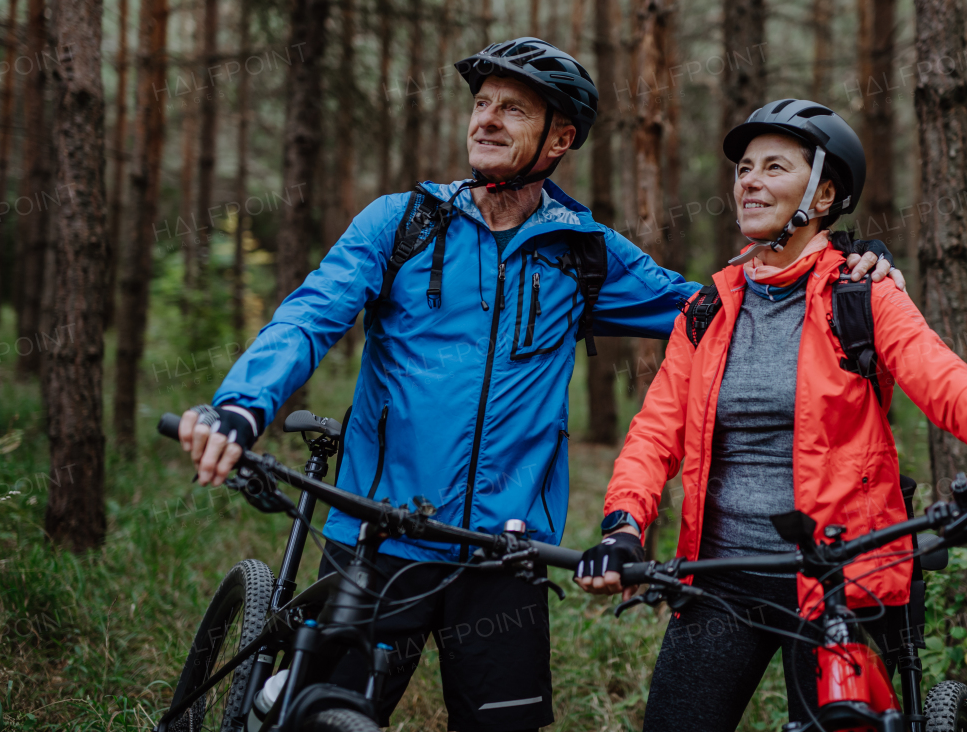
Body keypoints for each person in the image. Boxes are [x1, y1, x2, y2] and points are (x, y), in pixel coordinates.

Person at [176, 41, 899, 731]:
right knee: (320, 713)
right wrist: (243, 404)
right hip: (378, 533)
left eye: (513, 109)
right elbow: (309, 316)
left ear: (560, 139)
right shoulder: (401, 224)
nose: (485, 118)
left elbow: (721, 307)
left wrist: (844, 262)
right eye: (481, 103)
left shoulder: (584, 253)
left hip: (506, 554)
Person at [574, 99, 967, 732]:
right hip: (717, 576)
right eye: (744, 169)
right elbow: (654, 432)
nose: (748, 181)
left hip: (837, 578)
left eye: (773, 167)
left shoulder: (862, 293)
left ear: (825, 192)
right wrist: (622, 526)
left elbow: (943, 380)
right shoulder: (708, 308)